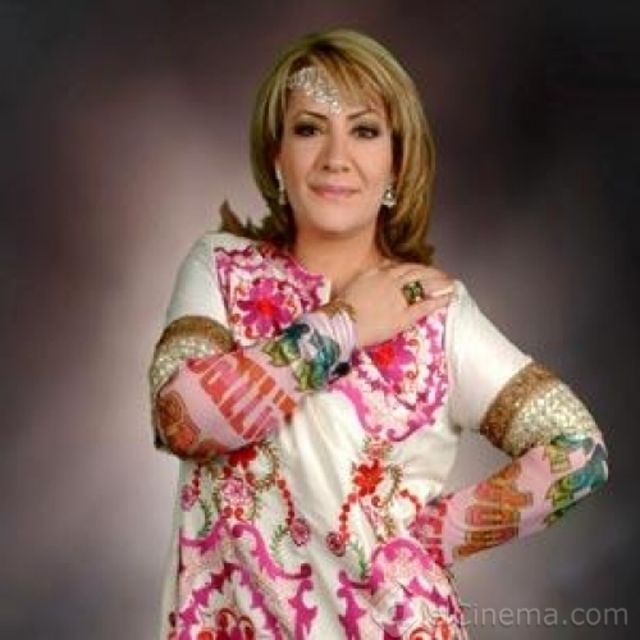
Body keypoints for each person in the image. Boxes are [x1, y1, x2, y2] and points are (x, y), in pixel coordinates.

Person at [148, 28, 609, 639]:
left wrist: (421, 543)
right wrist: (344, 325)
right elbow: (183, 420)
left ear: (396, 163)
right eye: (309, 129)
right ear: (277, 156)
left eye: (365, 132)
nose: (336, 157)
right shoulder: (221, 268)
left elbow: (579, 455)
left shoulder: (436, 312)